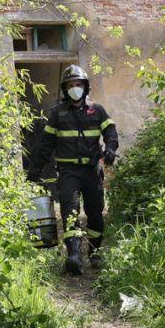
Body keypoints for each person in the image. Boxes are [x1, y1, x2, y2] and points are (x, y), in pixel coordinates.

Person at [27, 65, 119, 274]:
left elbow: (110, 132)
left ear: (85, 87)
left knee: (95, 213)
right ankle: (74, 256)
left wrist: (111, 149)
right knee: (70, 212)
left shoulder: (97, 110)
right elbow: (45, 145)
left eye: (78, 84)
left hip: (92, 171)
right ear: (65, 89)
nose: (74, 88)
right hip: (68, 172)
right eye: (70, 85)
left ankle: (94, 253)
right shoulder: (57, 114)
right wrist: (35, 170)